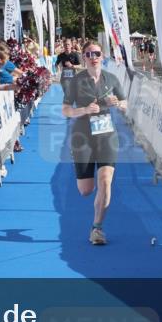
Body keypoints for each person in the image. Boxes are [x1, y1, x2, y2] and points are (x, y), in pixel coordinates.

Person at [61, 41, 127, 245]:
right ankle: (87, 182)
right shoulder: (75, 81)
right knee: (86, 190)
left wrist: (120, 105)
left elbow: (125, 103)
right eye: (88, 54)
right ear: (83, 57)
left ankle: (97, 228)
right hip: (82, 137)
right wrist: (84, 110)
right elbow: (65, 110)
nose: (93, 57)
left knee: (105, 180)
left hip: (107, 136)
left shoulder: (112, 79)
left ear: (102, 55)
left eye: (96, 53)